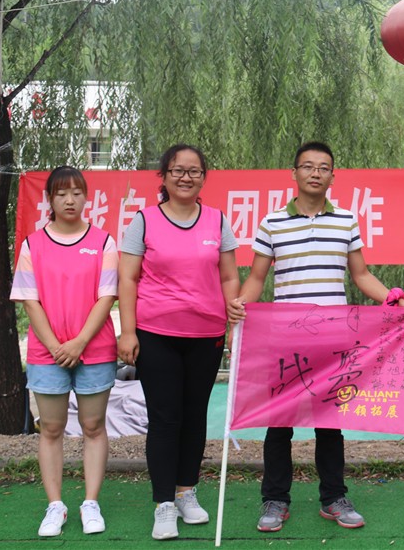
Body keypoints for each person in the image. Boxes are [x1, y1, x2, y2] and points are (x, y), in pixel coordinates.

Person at [226, 141, 404, 533]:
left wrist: (397, 302)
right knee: (279, 423)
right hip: (285, 339)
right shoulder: (272, 223)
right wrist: (238, 311)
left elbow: (361, 275)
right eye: (308, 166)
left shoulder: (346, 221)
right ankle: (275, 499)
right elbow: (256, 278)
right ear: (294, 173)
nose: (315, 173)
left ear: (333, 177)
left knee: (330, 422)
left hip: (335, 339)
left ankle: (334, 497)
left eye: (323, 167)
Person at [117, 144, 240, 540]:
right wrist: (128, 331)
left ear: (203, 177)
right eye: (178, 170)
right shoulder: (144, 221)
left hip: (206, 336)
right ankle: (163, 504)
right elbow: (127, 279)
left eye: (194, 171)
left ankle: (187, 492)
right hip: (156, 335)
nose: (186, 177)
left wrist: (232, 323)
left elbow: (229, 277)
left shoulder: (217, 220)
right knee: (165, 418)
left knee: (194, 416)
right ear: (164, 176)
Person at [11, 166, 118, 537]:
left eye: (76, 192)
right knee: (52, 428)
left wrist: (79, 342)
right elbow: (30, 300)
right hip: (48, 354)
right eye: (61, 194)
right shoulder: (32, 245)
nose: (70, 200)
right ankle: (55, 505)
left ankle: (91, 503)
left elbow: (107, 296)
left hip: (95, 349)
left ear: (86, 197)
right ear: (49, 200)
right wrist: (57, 346)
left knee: (93, 426)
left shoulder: (104, 242)